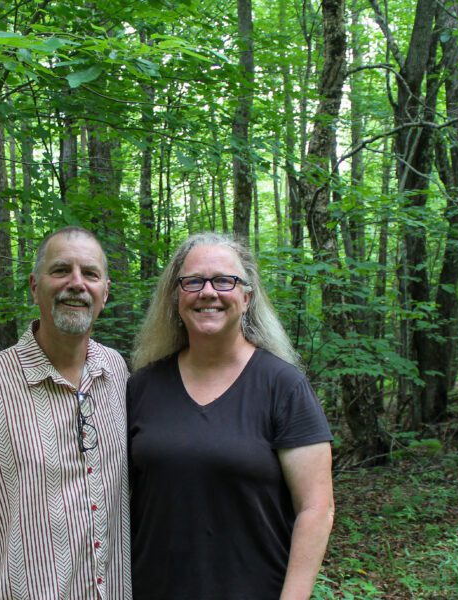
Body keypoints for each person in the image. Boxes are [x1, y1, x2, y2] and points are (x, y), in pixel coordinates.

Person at [128, 232, 334, 600]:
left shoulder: (283, 386)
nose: (208, 292)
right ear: (176, 297)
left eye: (225, 280)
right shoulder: (142, 386)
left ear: (246, 296)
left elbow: (316, 507)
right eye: (193, 281)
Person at [0, 226, 131, 600]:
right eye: (60, 270)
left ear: (105, 291)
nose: (76, 283)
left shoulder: (116, 371)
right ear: (34, 285)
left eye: (90, 274)